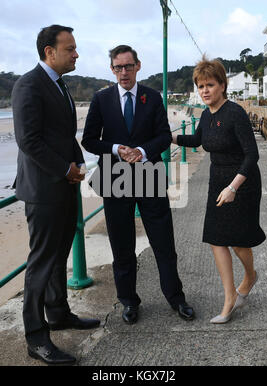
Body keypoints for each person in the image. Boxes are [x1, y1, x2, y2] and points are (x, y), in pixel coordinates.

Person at [82, 45, 195, 325]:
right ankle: (129, 302)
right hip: (116, 177)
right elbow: (89, 140)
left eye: (128, 66)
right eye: (118, 67)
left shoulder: (153, 97)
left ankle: (175, 297)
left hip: (149, 175)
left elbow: (163, 135)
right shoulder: (101, 99)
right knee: (122, 247)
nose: (123, 72)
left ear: (138, 66)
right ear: (112, 69)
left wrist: (142, 152)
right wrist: (117, 148)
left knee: (164, 244)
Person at [12, 24, 100, 365]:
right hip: (44, 190)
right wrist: (66, 170)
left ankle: (59, 314)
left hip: (64, 187)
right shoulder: (28, 85)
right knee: (41, 262)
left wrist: (76, 162)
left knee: (58, 256)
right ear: (50, 51)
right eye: (71, 48)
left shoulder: (58, 84)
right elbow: (28, 140)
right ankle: (36, 338)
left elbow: (63, 135)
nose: (76, 53)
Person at [172, 56, 266, 324]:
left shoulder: (234, 113)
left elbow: (252, 155)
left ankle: (250, 276)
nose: (204, 91)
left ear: (222, 85)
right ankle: (230, 297)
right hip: (217, 181)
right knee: (216, 239)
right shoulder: (206, 114)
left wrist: (234, 187)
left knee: (238, 241)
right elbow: (197, 139)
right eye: (200, 86)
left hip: (242, 183)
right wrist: (168, 136)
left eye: (210, 85)